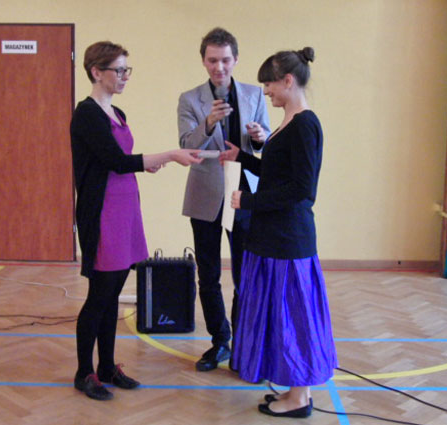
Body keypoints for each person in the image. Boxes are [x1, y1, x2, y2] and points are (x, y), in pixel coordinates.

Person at [70, 41, 202, 401]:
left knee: (113, 292)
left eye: (127, 70)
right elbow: (115, 160)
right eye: (119, 70)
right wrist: (169, 155)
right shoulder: (87, 114)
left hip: (125, 209)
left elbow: (122, 159)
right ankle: (84, 372)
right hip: (103, 213)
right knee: (100, 294)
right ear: (96, 72)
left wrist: (149, 162)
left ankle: (106, 367)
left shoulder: (117, 112)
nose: (125, 76)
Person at [220, 47, 337, 418]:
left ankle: (299, 397)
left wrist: (249, 201)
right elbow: (278, 175)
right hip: (274, 238)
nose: (266, 91)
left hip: (289, 241)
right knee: (282, 318)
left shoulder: (304, 124)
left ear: (288, 80)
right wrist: (242, 157)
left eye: (269, 84)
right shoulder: (289, 121)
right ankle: (294, 390)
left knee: (293, 320)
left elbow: (302, 190)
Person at [177, 27, 270, 372]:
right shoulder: (190, 99)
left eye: (225, 60)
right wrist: (207, 122)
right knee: (209, 274)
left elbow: (264, 143)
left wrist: (259, 137)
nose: (219, 67)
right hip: (205, 193)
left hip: (244, 194)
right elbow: (187, 145)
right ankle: (220, 341)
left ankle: (244, 342)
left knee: (245, 275)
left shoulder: (254, 94)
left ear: (236, 60)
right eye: (213, 60)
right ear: (203, 61)